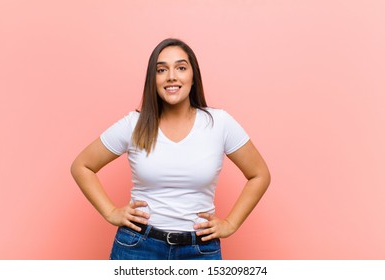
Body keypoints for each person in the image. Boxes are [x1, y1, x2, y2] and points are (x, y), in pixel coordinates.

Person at [70, 38, 270, 260]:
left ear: (193, 77)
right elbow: (82, 166)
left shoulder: (219, 123)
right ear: (153, 79)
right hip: (138, 247)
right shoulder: (133, 124)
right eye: (161, 69)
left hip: (200, 250)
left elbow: (259, 174)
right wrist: (110, 212)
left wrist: (231, 224)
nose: (171, 76)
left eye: (181, 68)